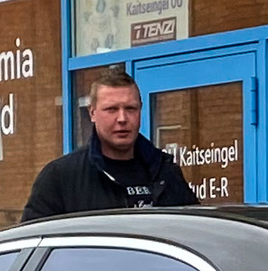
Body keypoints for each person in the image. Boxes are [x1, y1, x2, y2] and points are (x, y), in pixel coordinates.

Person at [22, 65, 200, 219]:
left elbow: (194, 231)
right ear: (92, 113)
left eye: (130, 108)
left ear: (140, 110)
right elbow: (33, 243)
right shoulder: (61, 178)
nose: (122, 118)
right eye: (111, 109)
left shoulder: (165, 172)